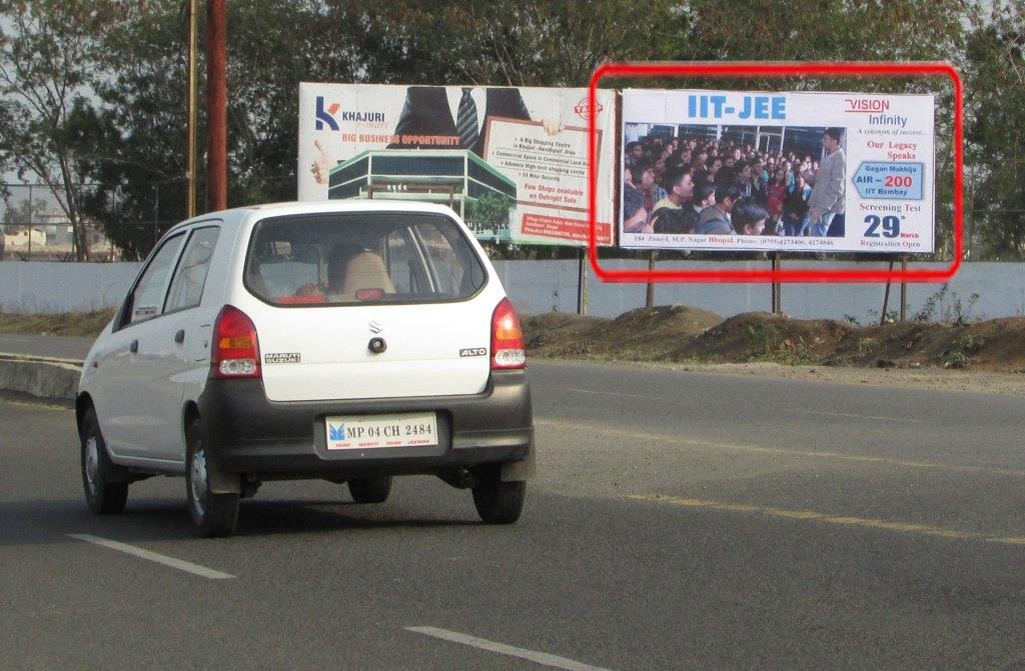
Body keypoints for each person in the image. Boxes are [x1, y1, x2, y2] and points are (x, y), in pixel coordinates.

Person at [804, 127, 846, 237]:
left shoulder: (840, 159)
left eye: (826, 138)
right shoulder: (829, 156)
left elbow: (836, 189)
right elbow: (822, 181)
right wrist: (811, 178)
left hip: (825, 208)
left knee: (817, 239)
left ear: (835, 141)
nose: (823, 141)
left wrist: (820, 210)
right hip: (819, 204)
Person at [650, 167, 695, 234]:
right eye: (689, 183)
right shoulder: (661, 212)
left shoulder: (686, 205)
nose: (693, 185)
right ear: (676, 189)